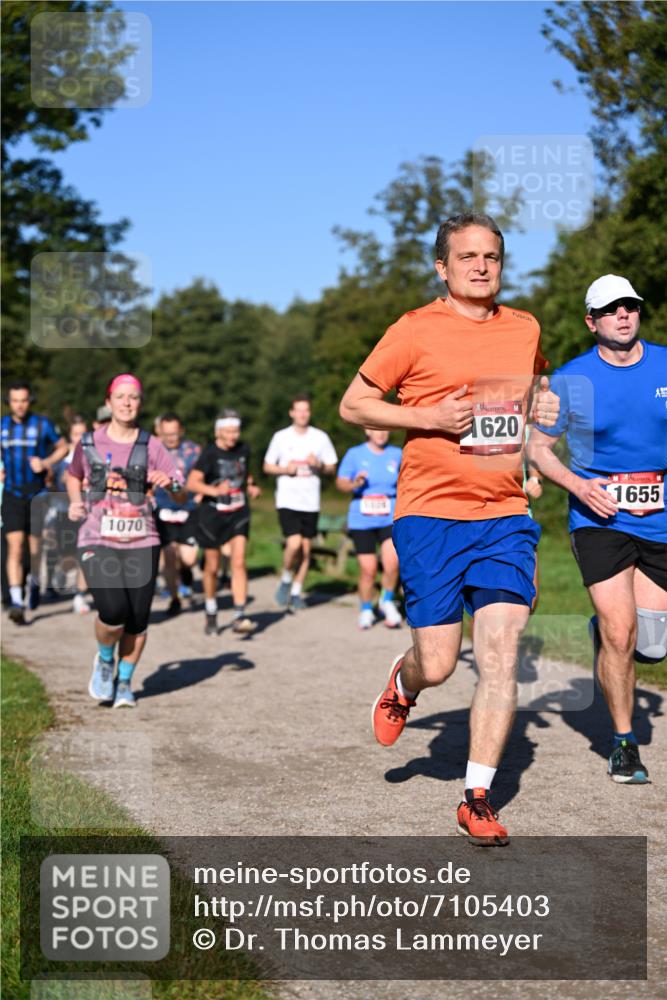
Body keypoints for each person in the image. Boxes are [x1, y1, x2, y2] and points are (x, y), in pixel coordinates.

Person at [339, 212, 559, 845]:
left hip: (504, 515)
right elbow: (354, 404)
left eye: (491, 256)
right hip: (430, 513)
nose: (481, 266)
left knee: (500, 650)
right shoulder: (414, 330)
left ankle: (477, 797)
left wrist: (542, 402)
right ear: (443, 267)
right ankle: (404, 684)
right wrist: (429, 414)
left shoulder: (524, 327)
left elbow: (534, 383)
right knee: (438, 662)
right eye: (467, 257)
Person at [528, 274, 666, 784]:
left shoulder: (666, 363)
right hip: (599, 516)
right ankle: (624, 743)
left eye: (630, 306)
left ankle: (606, 639)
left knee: (650, 644)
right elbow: (537, 449)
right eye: (611, 310)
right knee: (620, 630)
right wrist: (579, 488)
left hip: (661, 515)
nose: (623, 315)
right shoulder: (570, 380)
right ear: (592, 322)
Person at [67, 374, 184, 708]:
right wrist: (75, 500)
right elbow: (73, 474)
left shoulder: (153, 445)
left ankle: (124, 682)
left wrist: (170, 484)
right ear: (109, 401)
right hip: (97, 537)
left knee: (137, 619)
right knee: (113, 610)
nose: (127, 402)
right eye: (121, 397)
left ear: (140, 403)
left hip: (142, 539)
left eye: (133, 397)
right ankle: (105, 659)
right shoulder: (89, 442)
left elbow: (180, 491)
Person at [187, 410, 261, 635]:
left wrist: (251, 486)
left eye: (236, 431)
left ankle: (239, 616)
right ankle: (211, 610)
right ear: (218, 431)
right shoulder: (210, 453)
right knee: (212, 567)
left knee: (238, 562)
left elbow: (245, 474)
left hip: (238, 512)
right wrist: (214, 490)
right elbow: (192, 482)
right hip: (212, 515)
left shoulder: (244, 449)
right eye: (228, 431)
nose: (233, 436)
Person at [1, 381, 68, 623]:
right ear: (9, 402)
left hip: (37, 493)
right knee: (15, 546)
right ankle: (16, 601)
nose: (19, 405)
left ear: (30, 401)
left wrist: (47, 462)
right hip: (11, 493)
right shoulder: (2, 426)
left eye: (24, 400)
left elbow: (63, 447)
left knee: (34, 549)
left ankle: (32, 584)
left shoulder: (43, 424)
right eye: (15, 400)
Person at [263, 396, 338, 610]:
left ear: (309, 413)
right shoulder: (280, 437)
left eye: (306, 410)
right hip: (287, 499)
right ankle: (286, 577)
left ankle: (296, 591)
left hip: (311, 501)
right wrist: (284, 469)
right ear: (291, 413)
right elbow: (267, 466)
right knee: (294, 543)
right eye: (299, 410)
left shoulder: (320, 438)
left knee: (306, 549)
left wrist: (320, 464)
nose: (303, 414)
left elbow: (332, 467)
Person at [336, 429, 403, 629]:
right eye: (376, 429)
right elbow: (340, 482)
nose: (381, 434)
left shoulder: (397, 454)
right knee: (368, 569)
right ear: (366, 430)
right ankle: (366, 608)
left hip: (389, 516)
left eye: (384, 429)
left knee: (392, 563)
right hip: (362, 519)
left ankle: (386, 600)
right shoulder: (355, 454)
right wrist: (354, 484)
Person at [154, 413, 201, 617]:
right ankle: (175, 600)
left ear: (181, 431)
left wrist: (199, 495)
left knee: (189, 558)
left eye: (174, 433)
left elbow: (204, 474)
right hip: (162, 509)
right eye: (167, 434)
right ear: (160, 432)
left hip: (188, 508)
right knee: (168, 557)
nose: (171, 438)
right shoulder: (152, 450)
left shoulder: (194, 450)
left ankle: (186, 573)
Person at [46, 415, 92, 613]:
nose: (79, 438)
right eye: (75, 434)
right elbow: (54, 487)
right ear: (70, 436)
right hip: (65, 512)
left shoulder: (94, 456)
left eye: (83, 434)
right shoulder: (62, 460)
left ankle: (79, 596)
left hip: (89, 514)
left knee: (86, 555)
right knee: (69, 557)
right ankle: (60, 573)